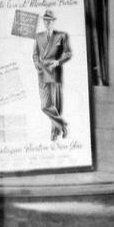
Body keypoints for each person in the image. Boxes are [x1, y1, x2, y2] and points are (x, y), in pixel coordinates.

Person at [32, 10, 72, 141]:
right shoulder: (38, 36)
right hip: (42, 73)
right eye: (45, 20)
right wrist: (38, 67)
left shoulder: (62, 36)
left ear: (53, 21)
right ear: (43, 21)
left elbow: (68, 53)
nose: (47, 22)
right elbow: (35, 55)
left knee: (55, 103)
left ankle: (54, 132)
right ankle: (63, 126)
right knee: (45, 105)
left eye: (50, 20)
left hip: (54, 72)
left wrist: (58, 62)